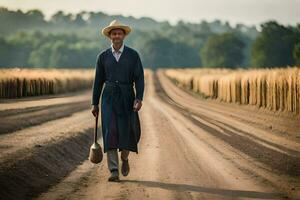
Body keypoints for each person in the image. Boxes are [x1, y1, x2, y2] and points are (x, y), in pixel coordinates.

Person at [91, 19, 145, 182]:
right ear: (110, 36)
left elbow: (140, 79)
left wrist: (138, 98)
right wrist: (95, 103)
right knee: (110, 132)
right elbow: (98, 80)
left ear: (123, 35)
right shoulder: (103, 57)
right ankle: (114, 170)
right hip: (108, 98)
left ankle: (125, 158)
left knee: (128, 132)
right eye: (114, 33)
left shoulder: (133, 55)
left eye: (119, 33)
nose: (116, 36)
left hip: (127, 96)